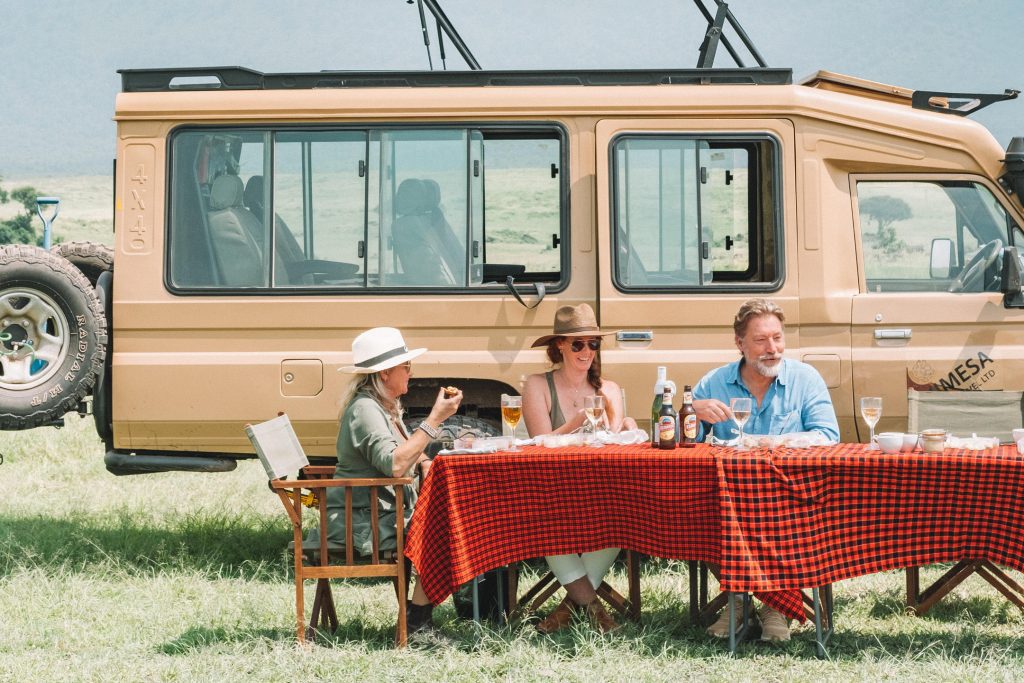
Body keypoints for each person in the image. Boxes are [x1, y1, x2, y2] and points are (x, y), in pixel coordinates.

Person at [692, 298, 839, 643]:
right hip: (730, 505)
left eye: (777, 338)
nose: (772, 348)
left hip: (791, 499)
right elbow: (686, 442)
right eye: (760, 340)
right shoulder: (714, 383)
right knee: (695, 511)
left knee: (779, 515)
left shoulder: (805, 379)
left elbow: (829, 436)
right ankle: (742, 599)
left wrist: (777, 441)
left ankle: (774, 605)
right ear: (739, 343)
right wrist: (692, 410)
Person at [328, 326, 462, 634]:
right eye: (406, 366)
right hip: (362, 519)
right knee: (443, 526)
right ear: (385, 372)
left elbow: (404, 451)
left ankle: (427, 613)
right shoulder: (365, 409)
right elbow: (394, 463)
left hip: (381, 510)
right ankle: (418, 620)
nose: (410, 371)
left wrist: (426, 461)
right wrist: (434, 420)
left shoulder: (384, 406)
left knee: (452, 518)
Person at [521, 303, 638, 634]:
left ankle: (569, 609)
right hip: (552, 489)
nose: (587, 351)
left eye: (593, 344)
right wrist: (574, 423)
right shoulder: (538, 385)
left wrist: (623, 424)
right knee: (545, 519)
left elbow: (614, 446)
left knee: (623, 513)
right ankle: (592, 609)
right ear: (559, 345)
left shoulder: (608, 389)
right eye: (578, 344)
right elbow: (538, 443)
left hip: (599, 489)